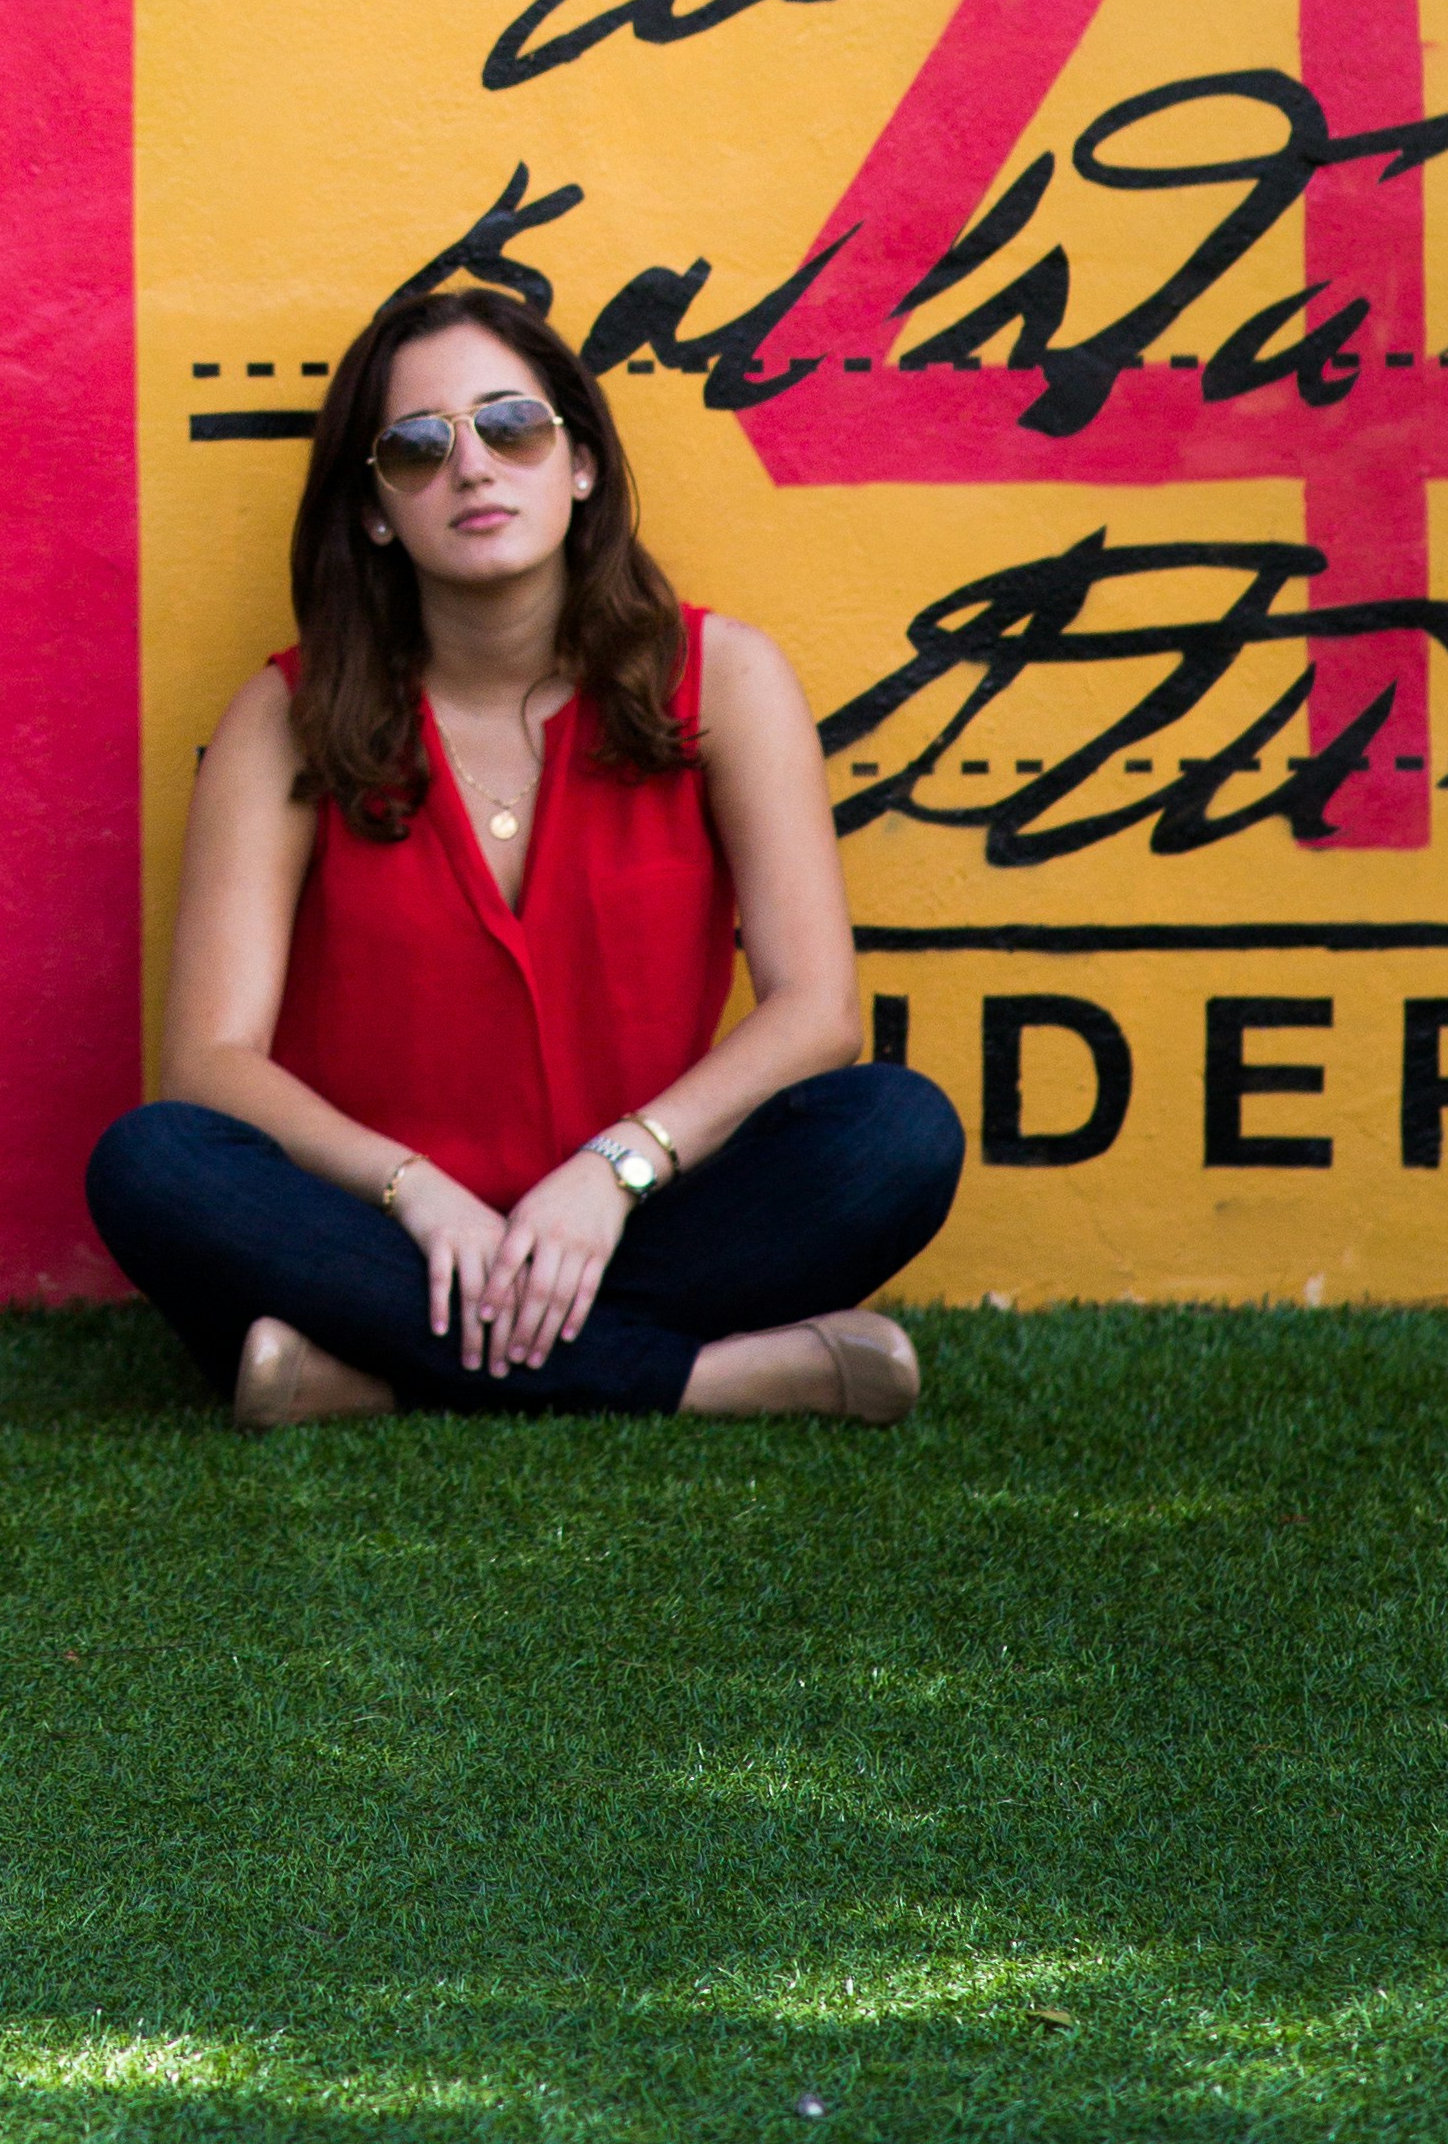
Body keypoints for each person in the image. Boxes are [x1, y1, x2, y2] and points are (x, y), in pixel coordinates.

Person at [90, 282, 961, 1422]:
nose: (472, 467)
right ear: (373, 510)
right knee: (152, 1163)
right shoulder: (284, 717)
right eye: (416, 447)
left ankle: (373, 1377)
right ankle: (707, 1379)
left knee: (896, 1133)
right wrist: (414, 1193)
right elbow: (210, 1062)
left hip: (639, 1213)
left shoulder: (726, 680)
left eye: (511, 427)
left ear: (580, 464)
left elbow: (817, 1013)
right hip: (386, 1228)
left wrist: (615, 1170)